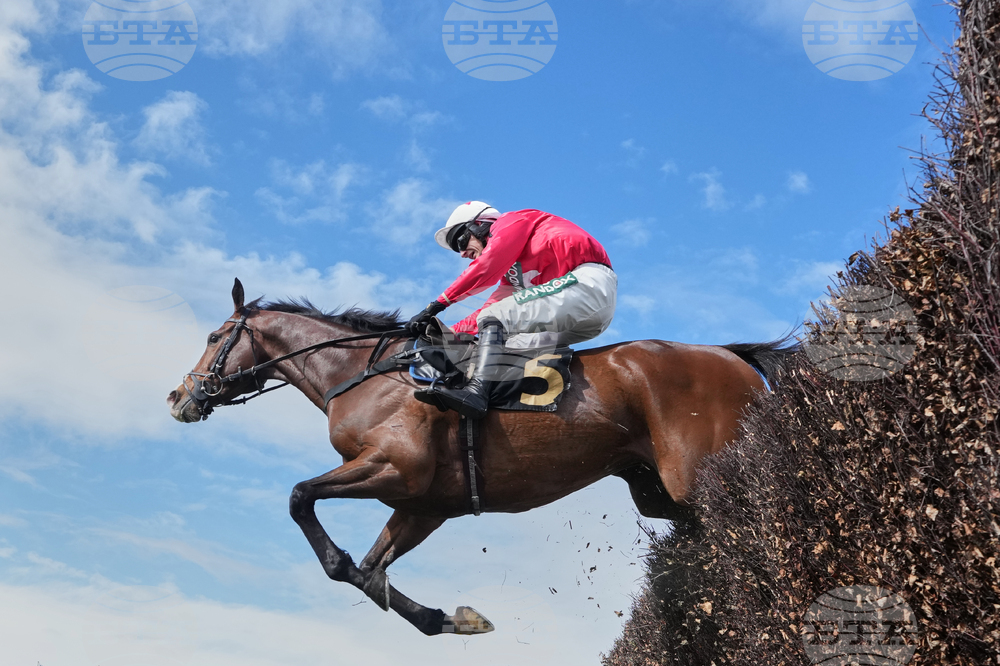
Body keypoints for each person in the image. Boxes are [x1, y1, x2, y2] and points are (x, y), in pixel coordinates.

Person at [406, 201, 617, 419]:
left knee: (494, 319)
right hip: (581, 313)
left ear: (481, 225)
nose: (462, 254)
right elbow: (489, 311)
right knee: (506, 346)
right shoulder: (512, 275)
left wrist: (436, 306)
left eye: (460, 240)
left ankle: (476, 392)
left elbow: (487, 266)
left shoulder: (512, 221)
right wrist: (446, 333)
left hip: (588, 283)